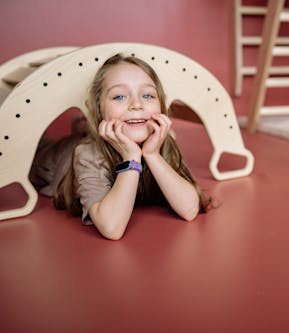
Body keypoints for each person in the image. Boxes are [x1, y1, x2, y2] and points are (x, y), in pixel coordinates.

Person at [51, 54, 211, 240]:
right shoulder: (87, 154)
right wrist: (132, 157)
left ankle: (81, 125)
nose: (136, 104)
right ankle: (82, 127)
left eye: (148, 95)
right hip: (55, 159)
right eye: (119, 96)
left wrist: (152, 155)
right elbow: (112, 228)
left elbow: (190, 210)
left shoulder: (162, 140)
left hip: (107, 135)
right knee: (46, 149)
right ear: (99, 108)